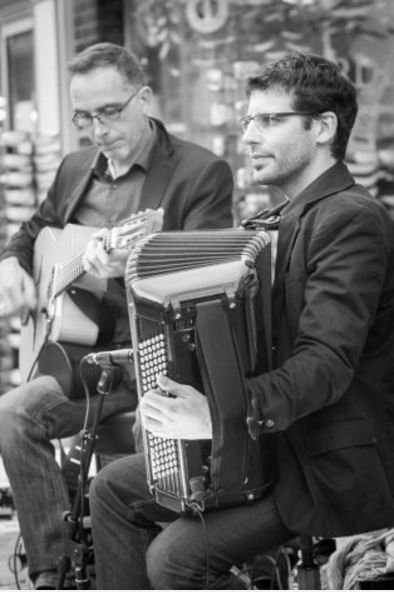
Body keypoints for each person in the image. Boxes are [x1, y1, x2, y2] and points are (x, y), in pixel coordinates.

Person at [89, 52, 394, 590]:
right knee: (112, 489)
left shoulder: (351, 220)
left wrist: (218, 416)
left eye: (270, 120)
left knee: (174, 560)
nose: (250, 135)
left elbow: (325, 364)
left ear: (323, 127)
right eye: (248, 120)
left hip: (320, 461)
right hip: (272, 440)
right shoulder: (276, 221)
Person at [0, 42, 233, 590]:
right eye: (85, 116)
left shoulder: (200, 172)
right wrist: (11, 262)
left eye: (111, 111)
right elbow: (35, 231)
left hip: (154, 363)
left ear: (144, 98)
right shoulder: (74, 167)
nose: (97, 129)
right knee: (12, 413)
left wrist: (139, 265)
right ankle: (56, 572)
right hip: (79, 357)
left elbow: (209, 277)